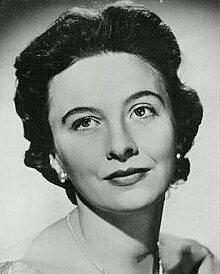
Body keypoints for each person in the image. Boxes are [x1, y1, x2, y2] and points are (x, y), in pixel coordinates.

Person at [0, 1, 219, 273]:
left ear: (179, 126)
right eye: (85, 122)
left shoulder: (196, 264)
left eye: (141, 111)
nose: (121, 145)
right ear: (52, 156)